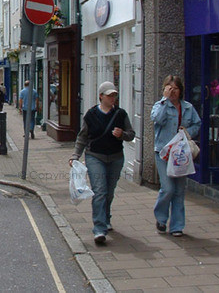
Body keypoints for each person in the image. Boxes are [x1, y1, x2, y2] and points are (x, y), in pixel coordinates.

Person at [69, 81, 135, 244]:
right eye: (109, 95)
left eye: (114, 95)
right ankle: (99, 229)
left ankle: (105, 217)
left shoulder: (121, 114)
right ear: (101, 96)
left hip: (115, 157)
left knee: (109, 191)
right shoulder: (91, 115)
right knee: (100, 191)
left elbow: (131, 134)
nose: (113, 98)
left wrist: (122, 135)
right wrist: (75, 155)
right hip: (95, 156)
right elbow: (82, 136)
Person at [151, 75, 201, 237]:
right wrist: (165, 100)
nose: (173, 92)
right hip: (163, 153)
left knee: (179, 190)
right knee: (168, 188)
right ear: (164, 88)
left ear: (181, 91)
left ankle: (177, 226)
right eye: (169, 88)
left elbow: (197, 124)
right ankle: (161, 219)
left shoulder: (187, 108)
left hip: (180, 153)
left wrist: (187, 132)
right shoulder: (159, 106)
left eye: (176, 89)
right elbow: (157, 119)